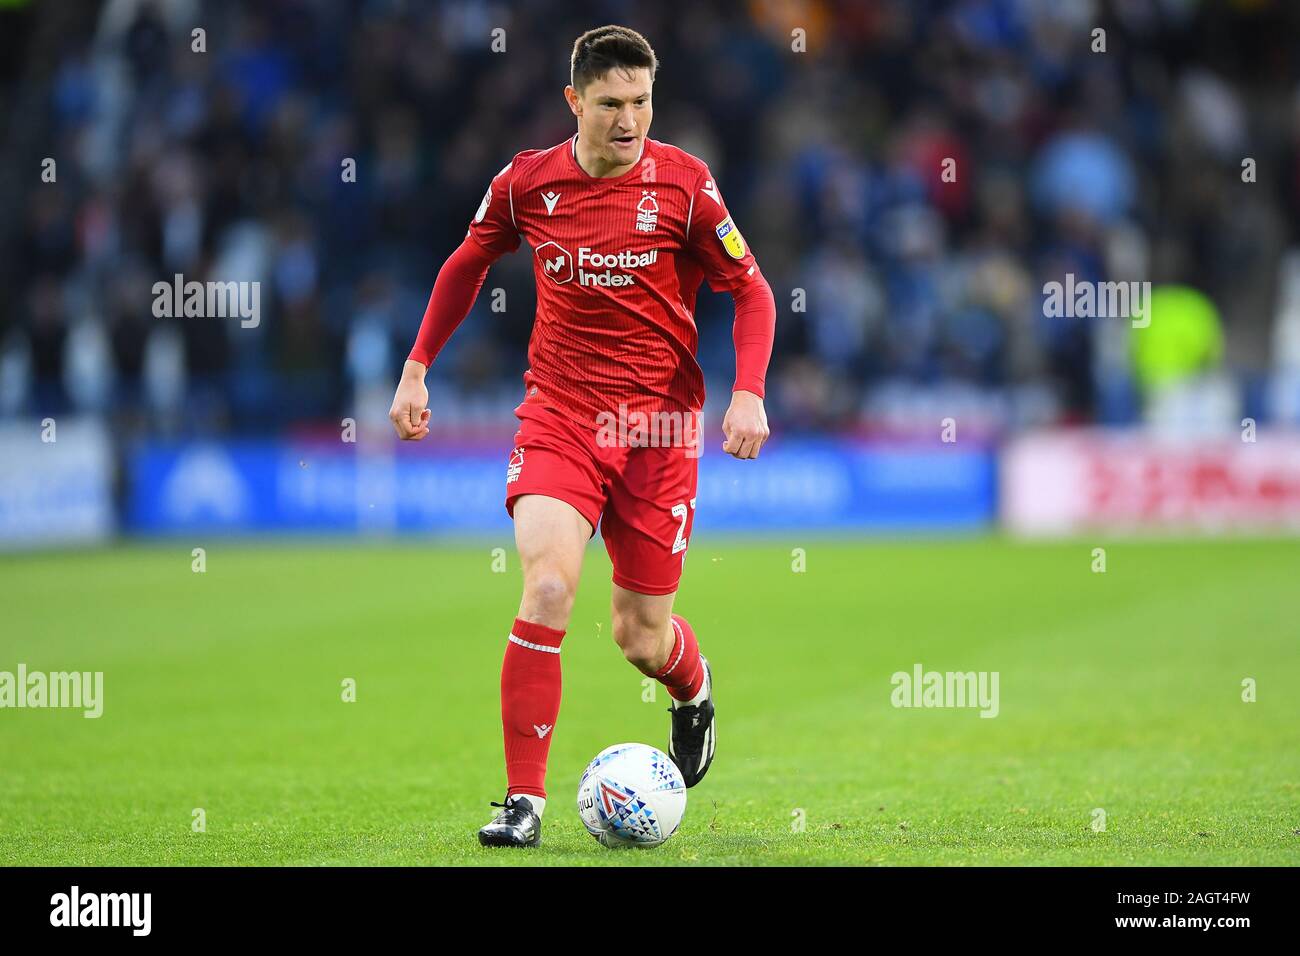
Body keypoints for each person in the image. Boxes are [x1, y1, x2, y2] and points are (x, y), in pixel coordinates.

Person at [389, 24, 776, 847]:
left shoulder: (686, 186)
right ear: (575, 101)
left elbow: (753, 292)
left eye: (641, 101)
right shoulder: (528, 183)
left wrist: (747, 393)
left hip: (661, 431)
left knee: (640, 635)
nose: (629, 119)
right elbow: (467, 262)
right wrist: (418, 365)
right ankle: (523, 803)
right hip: (560, 415)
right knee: (550, 589)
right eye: (611, 103)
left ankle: (693, 685)